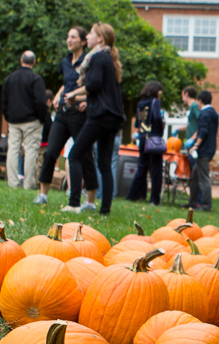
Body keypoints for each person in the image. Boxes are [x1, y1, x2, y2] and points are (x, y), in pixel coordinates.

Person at [63, 23, 125, 214]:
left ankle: (73, 204)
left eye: (90, 34)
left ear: (100, 39)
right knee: (104, 163)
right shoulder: (109, 59)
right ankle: (105, 209)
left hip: (100, 116)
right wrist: (78, 97)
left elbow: (94, 85)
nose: (87, 37)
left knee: (74, 154)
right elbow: (100, 92)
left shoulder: (98, 57)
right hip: (113, 117)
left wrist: (73, 93)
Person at [36, 27, 89, 205]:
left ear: (83, 41)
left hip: (78, 114)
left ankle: (86, 197)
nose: (69, 40)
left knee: (81, 155)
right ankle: (43, 194)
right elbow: (67, 85)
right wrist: (59, 94)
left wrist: (85, 100)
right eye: (68, 37)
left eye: (73, 37)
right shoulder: (65, 62)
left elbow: (94, 86)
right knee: (50, 152)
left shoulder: (88, 62)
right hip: (62, 113)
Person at [2, 50, 46, 189]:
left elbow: (4, 101)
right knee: (31, 152)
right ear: (33, 62)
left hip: (14, 120)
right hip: (32, 121)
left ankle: (13, 182)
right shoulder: (36, 79)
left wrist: (8, 116)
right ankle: (28, 183)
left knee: (13, 150)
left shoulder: (10, 79)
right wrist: (41, 118)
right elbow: (40, 102)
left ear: (21, 60)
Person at [127, 80, 167, 205]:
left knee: (142, 167)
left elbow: (139, 122)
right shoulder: (155, 102)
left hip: (143, 138)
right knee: (155, 169)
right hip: (154, 139)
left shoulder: (141, 103)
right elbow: (156, 117)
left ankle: (132, 196)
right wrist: (161, 128)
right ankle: (154, 199)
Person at [187, 89, 218, 211]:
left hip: (203, 151)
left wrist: (196, 145)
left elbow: (203, 131)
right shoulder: (213, 113)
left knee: (204, 179)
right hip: (209, 149)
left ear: (200, 101)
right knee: (195, 177)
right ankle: (192, 203)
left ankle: (205, 206)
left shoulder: (205, 114)